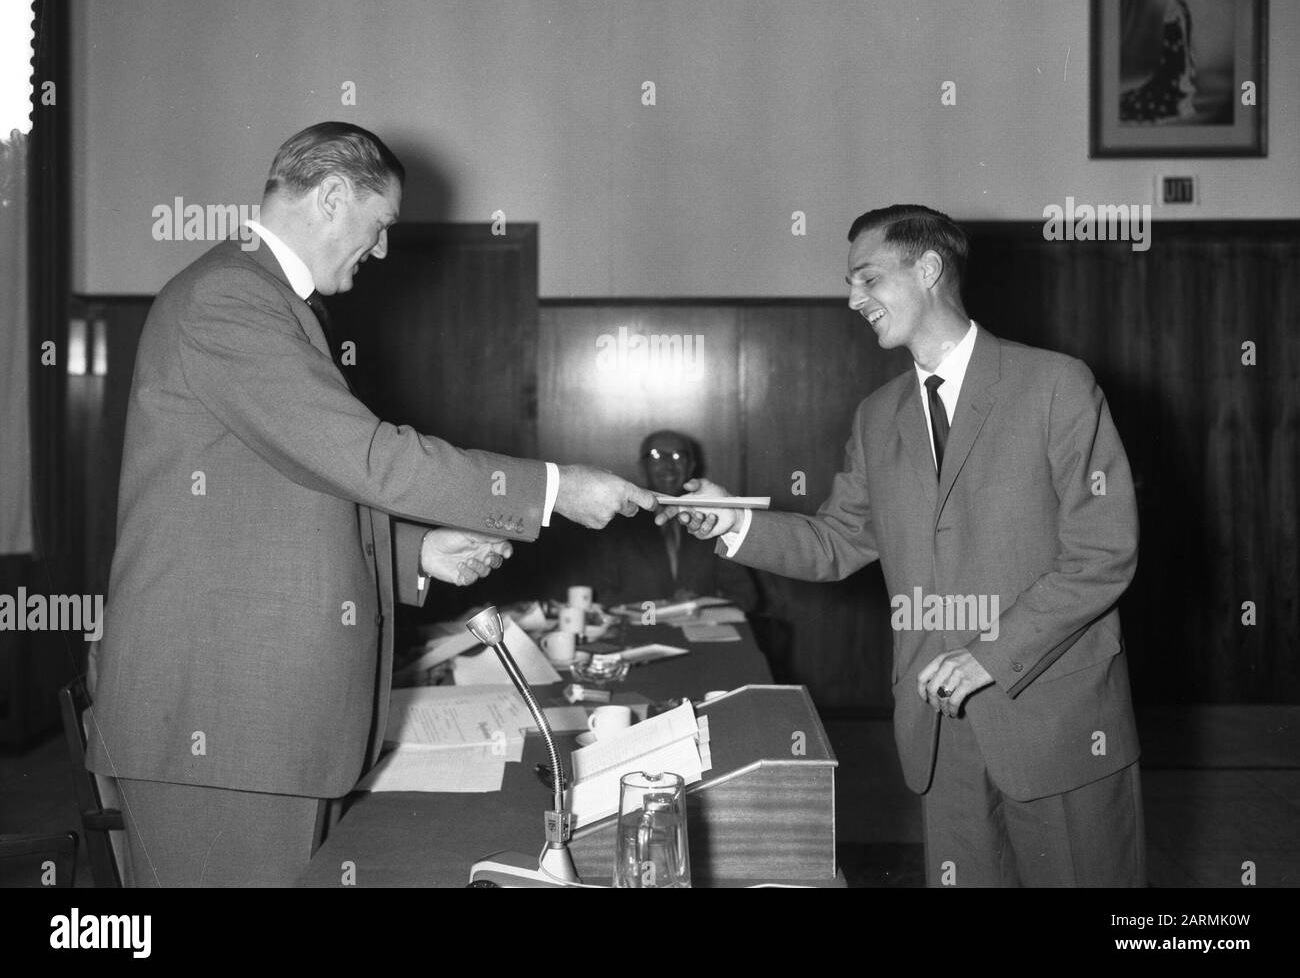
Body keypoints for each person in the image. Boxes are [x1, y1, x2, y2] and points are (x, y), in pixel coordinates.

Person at [85, 122, 655, 886]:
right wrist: (553, 488)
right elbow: (367, 456)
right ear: (330, 197)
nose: (382, 251)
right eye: (380, 224)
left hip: (255, 719)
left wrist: (413, 551)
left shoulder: (273, 300)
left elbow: (285, 492)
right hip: (217, 715)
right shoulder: (231, 297)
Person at [661, 205, 1144, 887]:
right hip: (940, 729)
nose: (853, 298)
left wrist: (989, 655)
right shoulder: (876, 413)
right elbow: (836, 540)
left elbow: (1103, 552)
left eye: (867, 278)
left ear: (929, 268)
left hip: (1055, 721)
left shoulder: (1056, 385)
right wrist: (732, 521)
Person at [592, 430, 759, 611]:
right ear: (642, 467)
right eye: (656, 456)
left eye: (678, 456)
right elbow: (599, 598)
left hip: (702, 634)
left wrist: (698, 605)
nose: (668, 465)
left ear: (691, 466)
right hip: (639, 634)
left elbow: (746, 596)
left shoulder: (715, 520)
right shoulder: (616, 525)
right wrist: (666, 607)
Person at [1119, 0, 1197, 124]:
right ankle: (1175, 102)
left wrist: (1186, 44)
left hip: (1183, 44)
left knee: (1184, 70)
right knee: (1173, 72)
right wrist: (1175, 42)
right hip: (1174, 44)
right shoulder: (1172, 6)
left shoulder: (1183, 5)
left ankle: (1183, 102)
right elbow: (1169, 26)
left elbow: (1187, 25)